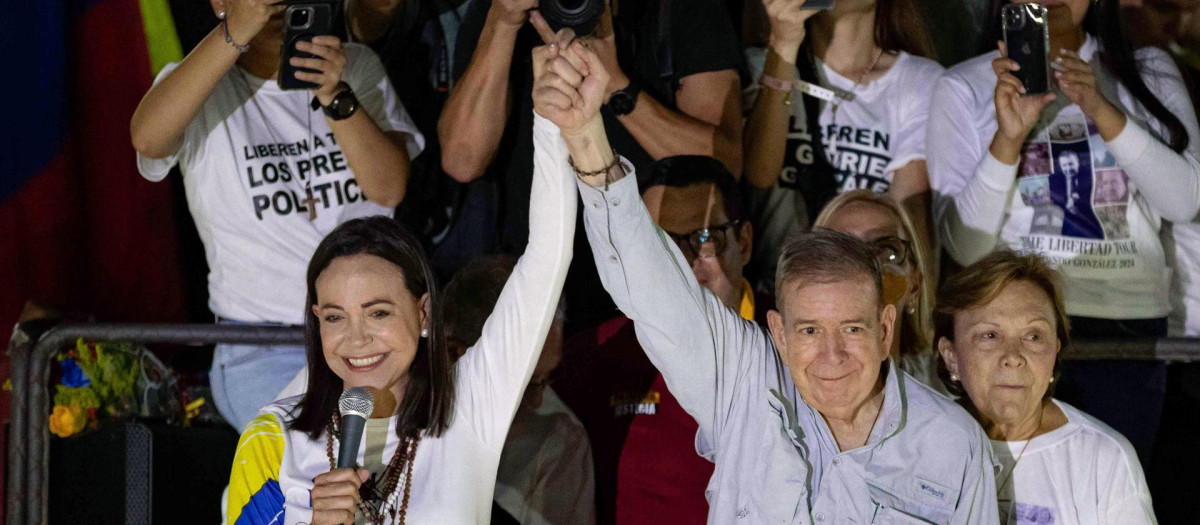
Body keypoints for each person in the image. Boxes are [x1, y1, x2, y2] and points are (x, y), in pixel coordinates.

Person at [537, 39, 997, 523]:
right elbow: (646, 283)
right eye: (810, 330)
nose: (832, 356)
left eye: (853, 329)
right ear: (777, 332)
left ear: (885, 329)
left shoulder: (953, 442)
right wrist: (585, 133)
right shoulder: (744, 386)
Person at [223, 32, 578, 524]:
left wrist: (552, 122)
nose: (356, 338)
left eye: (380, 311)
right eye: (334, 316)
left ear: (424, 311)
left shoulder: (471, 403)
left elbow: (547, 257)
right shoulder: (274, 439)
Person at [129, 0, 424, 431]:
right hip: (263, 346)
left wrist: (333, 94)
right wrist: (233, 33)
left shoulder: (353, 65)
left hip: (369, 335)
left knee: (404, 463)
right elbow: (147, 139)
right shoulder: (200, 83)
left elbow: (389, 186)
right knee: (319, 458)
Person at [927, 0, 1200, 460]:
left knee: (1111, 486)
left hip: (1125, 323)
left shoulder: (1146, 69)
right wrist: (1008, 138)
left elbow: (1184, 200)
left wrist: (1099, 106)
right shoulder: (963, 85)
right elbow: (963, 244)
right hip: (1013, 325)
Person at [553, 155, 766, 525]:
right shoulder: (593, 357)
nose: (682, 263)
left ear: (744, 243)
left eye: (704, 239)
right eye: (661, 244)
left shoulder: (798, 344)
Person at [935, 250, 1156, 524]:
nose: (1013, 357)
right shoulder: (921, 447)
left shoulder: (1103, 458)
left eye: (1033, 336)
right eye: (990, 335)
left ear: (1055, 352)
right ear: (951, 356)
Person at [742, 0, 942, 293]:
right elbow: (758, 174)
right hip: (774, 292)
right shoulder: (763, 64)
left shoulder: (917, 80)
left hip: (867, 298)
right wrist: (783, 46)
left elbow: (911, 224)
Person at [440, 254, 595, 525]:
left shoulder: (559, 441)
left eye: (547, 378)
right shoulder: (395, 414)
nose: (537, 401)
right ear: (454, 354)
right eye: (524, 382)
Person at [811, 189, 942, 394]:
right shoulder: (776, 383)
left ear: (914, 286)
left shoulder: (948, 385)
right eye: (841, 250)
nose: (865, 265)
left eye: (887, 250)